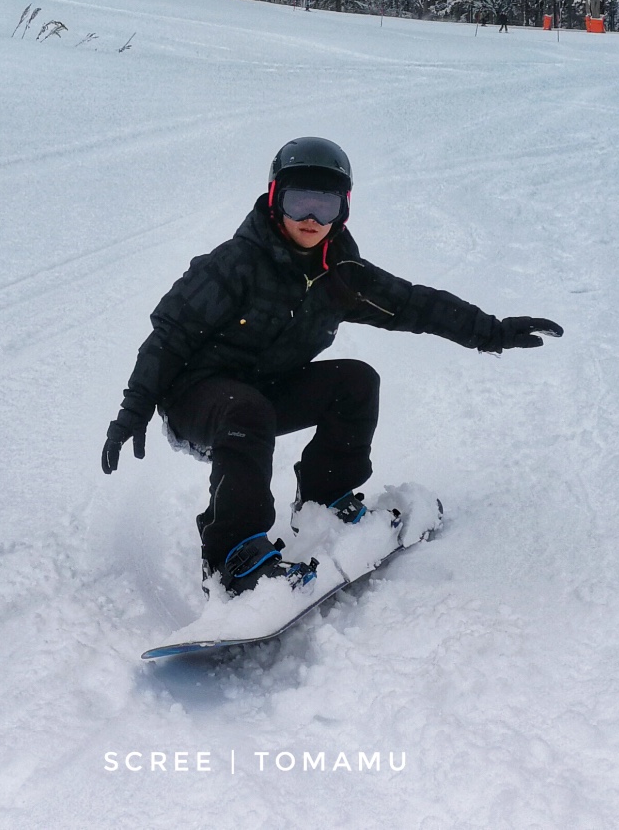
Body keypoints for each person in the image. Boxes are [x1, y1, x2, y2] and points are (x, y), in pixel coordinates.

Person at [101, 138, 563, 597]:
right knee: (245, 411)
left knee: (356, 381)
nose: (310, 219)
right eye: (299, 202)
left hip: (263, 390)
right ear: (274, 198)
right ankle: (233, 559)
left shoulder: (341, 274)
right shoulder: (234, 264)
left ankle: (325, 500)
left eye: (325, 206)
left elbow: (413, 305)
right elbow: (168, 336)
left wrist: (493, 332)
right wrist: (136, 408)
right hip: (196, 397)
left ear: (343, 209)